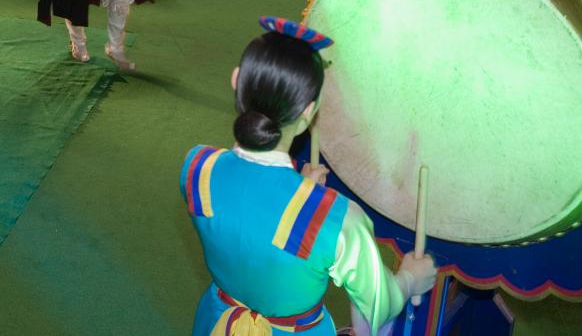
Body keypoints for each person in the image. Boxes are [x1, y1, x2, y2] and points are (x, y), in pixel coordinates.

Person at [182, 17, 436, 336]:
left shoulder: (196, 168)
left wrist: (302, 191)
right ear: (307, 113)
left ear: (236, 80)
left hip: (217, 323)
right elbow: (378, 304)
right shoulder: (339, 221)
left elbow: (252, 217)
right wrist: (411, 277)